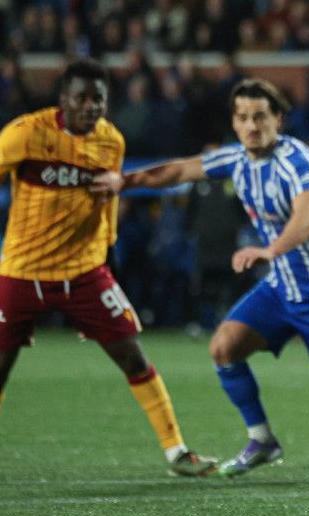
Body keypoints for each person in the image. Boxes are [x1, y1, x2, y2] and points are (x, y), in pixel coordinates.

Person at [90, 79, 309, 478]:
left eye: (260, 117)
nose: (252, 126)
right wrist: (124, 182)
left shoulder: (297, 161)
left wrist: (270, 250)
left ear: (278, 119)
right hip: (281, 286)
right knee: (224, 347)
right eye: (243, 117)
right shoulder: (236, 159)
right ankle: (262, 439)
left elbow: (308, 216)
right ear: (234, 123)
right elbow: (179, 169)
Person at [0, 59, 216, 476]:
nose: (89, 106)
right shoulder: (25, 134)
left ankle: (177, 452)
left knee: (134, 358)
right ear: (63, 99)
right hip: (22, 271)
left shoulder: (110, 141)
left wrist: (107, 257)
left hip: (84, 272)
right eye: (80, 98)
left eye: (97, 99)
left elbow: (106, 204)